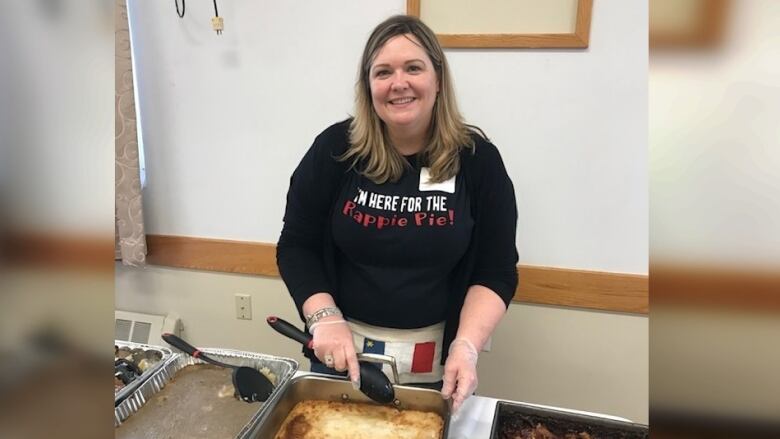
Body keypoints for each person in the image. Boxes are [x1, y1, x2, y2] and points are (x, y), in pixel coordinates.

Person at [277, 14, 517, 413]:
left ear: (438, 79)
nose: (398, 83)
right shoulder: (335, 149)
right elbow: (296, 245)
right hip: (340, 356)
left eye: (413, 68)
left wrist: (467, 345)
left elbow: (496, 270)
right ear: (368, 85)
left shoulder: (478, 161)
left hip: (437, 366)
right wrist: (323, 317)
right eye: (383, 71)